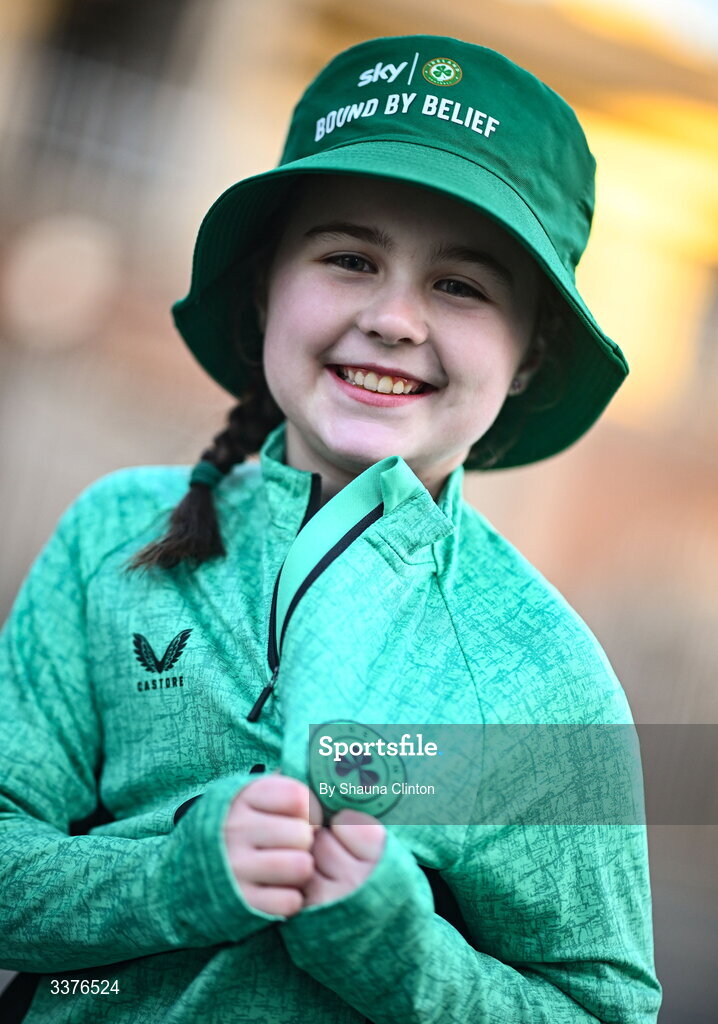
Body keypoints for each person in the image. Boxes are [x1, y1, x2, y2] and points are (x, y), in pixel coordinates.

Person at [0, 34, 662, 1024]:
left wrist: (395, 948)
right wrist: (171, 880)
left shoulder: (544, 673)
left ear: (530, 354)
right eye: (350, 258)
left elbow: (601, 1009)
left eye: (461, 285)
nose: (395, 318)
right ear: (268, 283)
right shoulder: (114, 537)